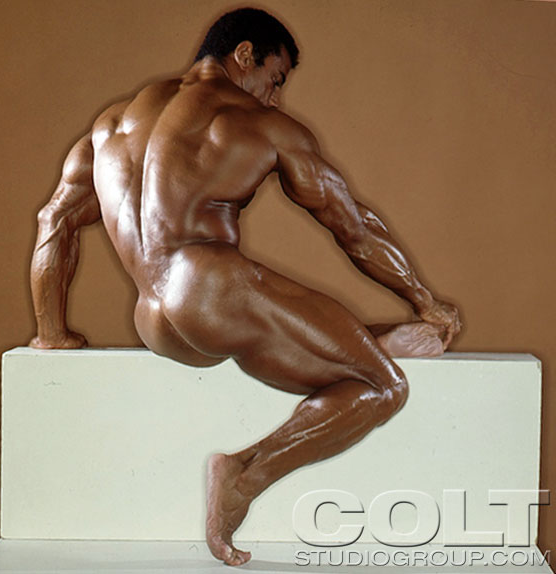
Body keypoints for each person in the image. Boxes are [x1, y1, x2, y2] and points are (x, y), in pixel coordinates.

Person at [29, 7, 461, 566]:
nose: (275, 98)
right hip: (212, 292)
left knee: (320, 341)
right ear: (244, 55)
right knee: (383, 387)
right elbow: (354, 226)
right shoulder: (258, 122)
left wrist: (51, 334)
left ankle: (372, 341)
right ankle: (243, 474)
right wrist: (425, 299)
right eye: (274, 78)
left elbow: (55, 221)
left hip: (155, 320)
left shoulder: (111, 124)